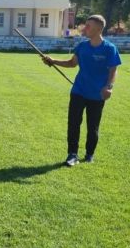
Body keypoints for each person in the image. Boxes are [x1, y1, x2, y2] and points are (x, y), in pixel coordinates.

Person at [42, 14, 121, 166]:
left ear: (98, 29)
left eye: (89, 26)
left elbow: (113, 70)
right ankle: (72, 154)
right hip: (78, 91)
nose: (85, 28)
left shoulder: (110, 49)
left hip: (97, 94)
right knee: (73, 123)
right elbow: (72, 63)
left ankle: (89, 154)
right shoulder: (82, 46)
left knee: (93, 127)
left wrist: (109, 87)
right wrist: (53, 61)